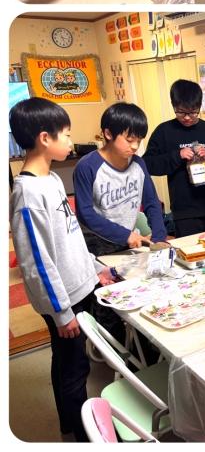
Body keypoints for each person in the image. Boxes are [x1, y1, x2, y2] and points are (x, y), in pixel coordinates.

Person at [9, 97, 115, 442]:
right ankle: (82, 436)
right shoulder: (27, 193)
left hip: (79, 286)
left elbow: (71, 238)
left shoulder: (53, 179)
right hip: (63, 300)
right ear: (44, 138)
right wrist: (61, 312)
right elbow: (36, 262)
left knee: (69, 361)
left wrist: (94, 268)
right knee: (74, 369)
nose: (71, 141)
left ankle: (70, 424)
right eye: (66, 134)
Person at [73, 102, 168, 256]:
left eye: (139, 140)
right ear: (108, 134)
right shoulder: (87, 166)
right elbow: (85, 214)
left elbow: (151, 203)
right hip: (95, 247)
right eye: (129, 140)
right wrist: (125, 235)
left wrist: (159, 237)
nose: (135, 146)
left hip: (128, 243)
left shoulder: (138, 164)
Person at [143, 80, 205, 237]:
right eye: (181, 112)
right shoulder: (164, 131)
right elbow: (147, 164)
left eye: (193, 112)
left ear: (199, 106)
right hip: (183, 211)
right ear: (173, 105)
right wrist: (177, 156)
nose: (187, 118)